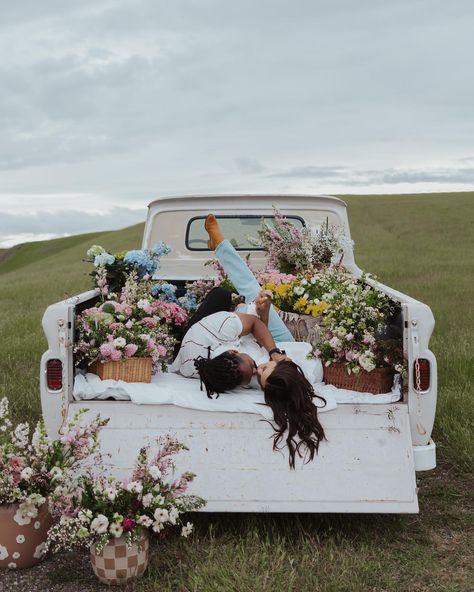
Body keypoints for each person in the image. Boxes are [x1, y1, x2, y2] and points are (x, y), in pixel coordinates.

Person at [170, 214, 327, 468]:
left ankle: (220, 245)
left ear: (231, 350)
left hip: (222, 333)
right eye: (262, 367)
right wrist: (275, 349)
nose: (257, 368)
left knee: (244, 294)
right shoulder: (304, 368)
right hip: (284, 342)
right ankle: (221, 246)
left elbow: (252, 328)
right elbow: (256, 328)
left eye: (257, 372)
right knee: (253, 296)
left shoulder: (234, 368)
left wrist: (260, 317)